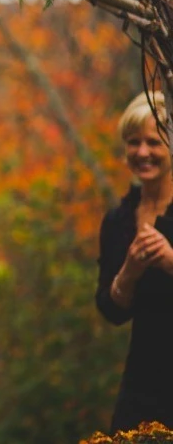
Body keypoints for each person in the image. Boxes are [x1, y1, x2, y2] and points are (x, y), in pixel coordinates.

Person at [96, 91, 173, 432]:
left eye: (153, 142)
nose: (142, 152)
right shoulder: (119, 220)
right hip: (142, 380)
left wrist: (170, 260)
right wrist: (129, 270)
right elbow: (111, 311)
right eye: (133, 142)